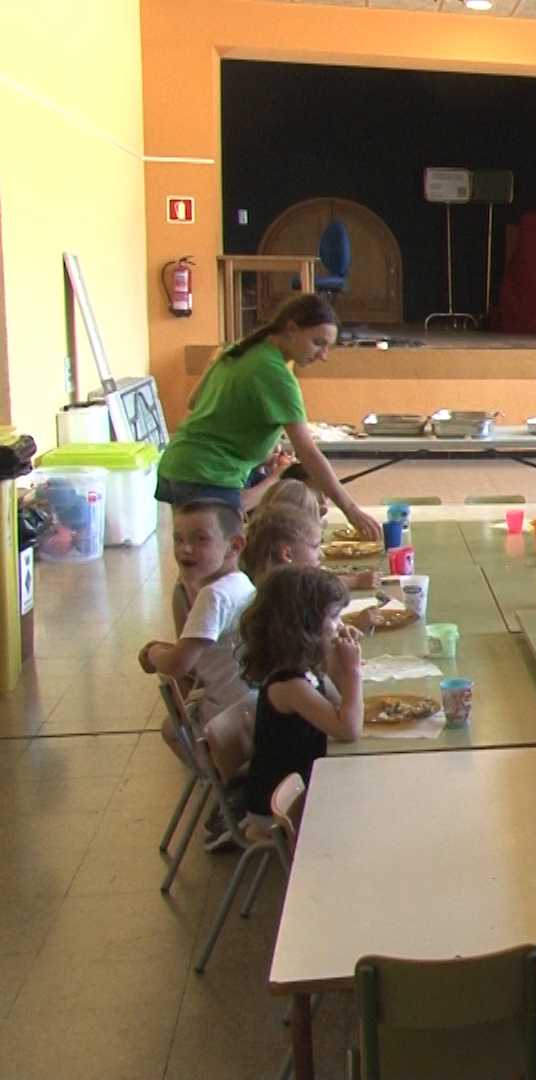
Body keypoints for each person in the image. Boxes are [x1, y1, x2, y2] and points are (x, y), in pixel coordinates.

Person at [156, 294, 381, 539]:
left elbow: (195, 401)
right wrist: (351, 510)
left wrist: (260, 450)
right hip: (208, 474)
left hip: (178, 464)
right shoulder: (276, 374)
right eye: (318, 343)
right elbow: (308, 453)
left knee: (195, 554)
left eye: (328, 347)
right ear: (292, 329)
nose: (323, 355)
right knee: (219, 557)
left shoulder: (240, 349)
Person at [238, 565, 363, 823]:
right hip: (280, 809)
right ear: (305, 625)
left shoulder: (302, 665)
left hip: (307, 781)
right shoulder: (289, 685)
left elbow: (339, 701)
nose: (341, 625)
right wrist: (353, 671)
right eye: (335, 616)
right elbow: (348, 729)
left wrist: (335, 655)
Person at [139, 501, 255, 752]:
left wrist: (153, 652)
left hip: (229, 718)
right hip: (253, 707)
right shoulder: (241, 582)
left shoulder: (213, 596)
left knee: (171, 730)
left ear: (234, 546)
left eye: (200, 539)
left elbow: (178, 665)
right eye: (178, 540)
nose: (185, 549)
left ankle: (218, 774)